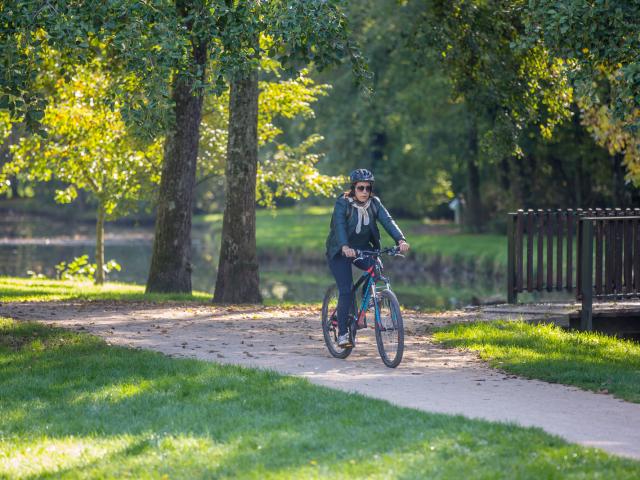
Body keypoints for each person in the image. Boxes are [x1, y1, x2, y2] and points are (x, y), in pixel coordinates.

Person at [325, 168, 410, 348]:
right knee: (346, 290)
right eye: (361, 188)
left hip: (363, 249)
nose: (365, 192)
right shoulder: (342, 203)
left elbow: (388, 221)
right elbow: (339, 226)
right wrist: (344, 246)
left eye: (368, 188)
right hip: (340, 251)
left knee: (375, 268)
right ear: (353, 188)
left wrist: (400, 239)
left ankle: (365, 305)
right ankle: (342, 333)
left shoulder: (374, 203)